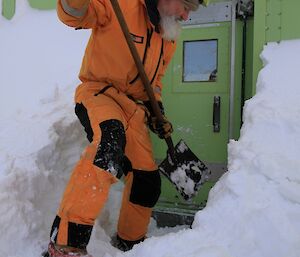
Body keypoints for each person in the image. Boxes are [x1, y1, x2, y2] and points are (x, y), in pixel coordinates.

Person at [45, 0, 207, 256]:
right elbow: (74, 14)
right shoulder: (120, 5)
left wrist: (157, 113)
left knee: (148, 180)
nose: (186, 16)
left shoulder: (168, 37)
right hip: (100, 93)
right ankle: (66, 242)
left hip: (134, 109)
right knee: (109, 144)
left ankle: (130, 243)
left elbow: (155, 82)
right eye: (186, 6)